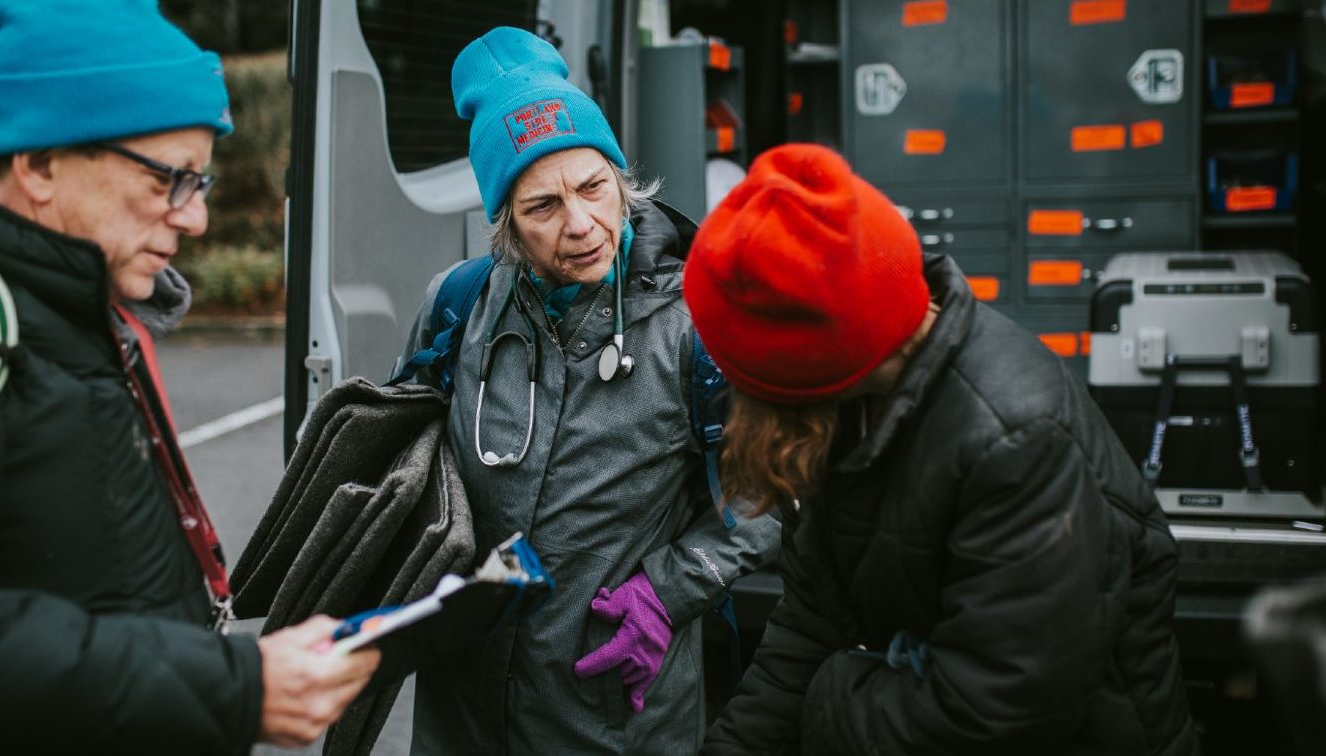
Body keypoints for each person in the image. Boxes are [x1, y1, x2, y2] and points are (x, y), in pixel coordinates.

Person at [0, 1, 376, 753]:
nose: (196, 219)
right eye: (170, 179)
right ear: (40, 163)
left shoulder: (86, 309)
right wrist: (234, 687)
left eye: (202, 183)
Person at [687, 145, 1199, 755]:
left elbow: (1000, 710)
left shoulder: (1016, 441)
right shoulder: (847, 407)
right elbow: (811, 621)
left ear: (806, 378)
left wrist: (832, 697)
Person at [394, 26, 780, 754]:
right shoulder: (457, 307)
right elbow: (404, 469)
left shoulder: (699, 322)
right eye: (542, 207)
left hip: (615, 707)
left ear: (618, 177)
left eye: (594, 188)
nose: (581, 225)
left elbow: (765, 497)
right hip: (463, 709)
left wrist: (668, 593)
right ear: (504, 222)